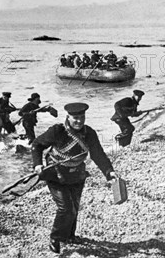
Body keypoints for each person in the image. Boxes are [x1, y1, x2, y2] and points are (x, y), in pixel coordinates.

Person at [32, 102, 118, 254]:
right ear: (68, 117)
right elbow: (37, 145)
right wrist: (38, 165)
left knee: (74, 207)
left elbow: (97, 154)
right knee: (66, 208)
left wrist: (109, 172)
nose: (79, 121)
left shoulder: (89, 133)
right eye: (75, 118)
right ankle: (56, 238)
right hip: (56, 175)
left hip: (77, 175)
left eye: (82, 117)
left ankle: (69, 236)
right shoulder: (57, 131)